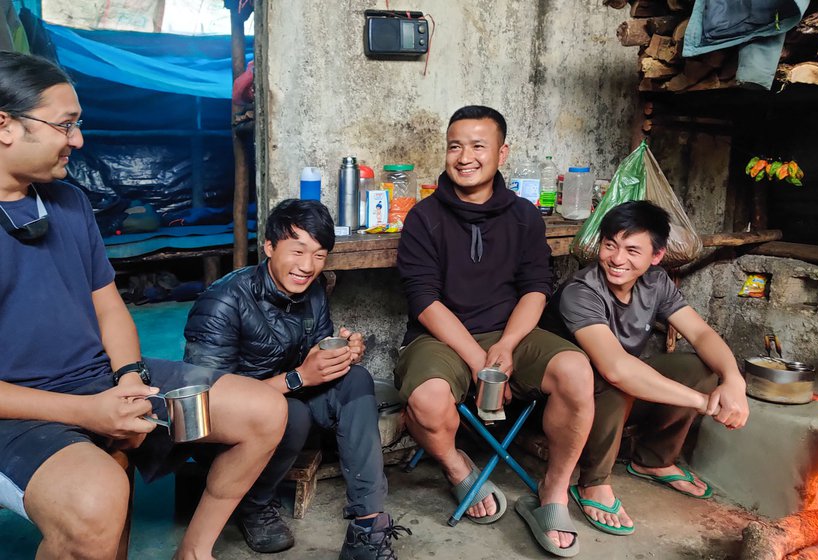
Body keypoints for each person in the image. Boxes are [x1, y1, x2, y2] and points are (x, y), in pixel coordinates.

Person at [0, 52, 287, 560]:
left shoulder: (68, 203)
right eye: (65, 125)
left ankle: (193, 551)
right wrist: (88, 413)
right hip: (19, 412)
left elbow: (109, 307)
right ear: (4, 126)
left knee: (263, 410)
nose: (79, 140)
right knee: (96, 504)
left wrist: (130, 379)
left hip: (98, 382)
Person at [395, 105, 594, 558]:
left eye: (478, 145)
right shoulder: (423, 217)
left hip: (512, 334)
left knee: (577, 371)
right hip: (441, 339)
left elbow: (537, 287)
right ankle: (455, 466)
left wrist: (505, 346)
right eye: (455, 146)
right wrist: (481, 362)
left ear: (502, 152)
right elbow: (424, 300)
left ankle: (553, 491)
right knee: (426, 400)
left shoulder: (524, 215)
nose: (464, 156)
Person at [183, 198, 410, 559]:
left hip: (289, 398)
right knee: (291, 413)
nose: (307, 267)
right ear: (270, 246)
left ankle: (367, 528)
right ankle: (255, 504)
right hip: (230, 427)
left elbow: (314, 350)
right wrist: (298, 378)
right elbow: (206, 401)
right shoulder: (223, 302)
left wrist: (341, 353)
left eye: (319, 255)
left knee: (356, 380)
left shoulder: (313, 292)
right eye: (298, 251)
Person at [540, 200, 750, 536]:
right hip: (564, 404)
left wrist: (734, 381)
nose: (618, 259)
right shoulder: (581, 291)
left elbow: (700, 333)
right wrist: (702, 402)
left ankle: (654, 460)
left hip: (617, 395)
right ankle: (593, 482)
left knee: (699, 367)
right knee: (611, 379)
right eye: (610, 246)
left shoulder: (656, 282)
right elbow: (616, 368)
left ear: (656, 256)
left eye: (632, 250)